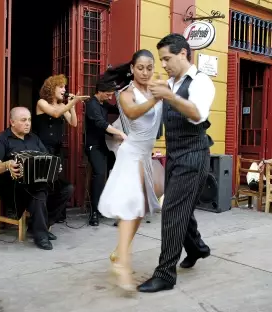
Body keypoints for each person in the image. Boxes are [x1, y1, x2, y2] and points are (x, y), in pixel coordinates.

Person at [137, 34, 216, 293]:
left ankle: (165, 275)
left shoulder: (201, 82)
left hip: (194, 155)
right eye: (162, 60)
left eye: (167, 58)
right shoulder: (170, 82)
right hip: (174, 155)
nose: (164, 64)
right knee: (181, 209)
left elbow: (196, 114)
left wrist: (168, 96)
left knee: (172, 210)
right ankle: (198, 248)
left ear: (183, 53)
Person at [97, 49, 164, 293]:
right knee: (131, 207)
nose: (145, 72)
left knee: (142, 208)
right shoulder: (126, 94)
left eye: (149, 67)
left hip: (146, 153)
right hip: (131, 153)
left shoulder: (153, 89)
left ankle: (118, 253)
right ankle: (123, 265)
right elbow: (134, 113)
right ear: (132, 70)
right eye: (140, 68)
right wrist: (158, 98)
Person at [0, 107, 74, 251]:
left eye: (29, 120)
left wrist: (54, 167)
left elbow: (46, 158)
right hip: (11, 183)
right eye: (23, 120)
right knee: (39, 191)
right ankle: (40, 234)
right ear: (12, 122)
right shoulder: (2, 139)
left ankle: (41, 225)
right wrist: (7, 164)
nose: (28, 123)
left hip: (36, 181)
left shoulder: (34, 138)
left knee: (67, 188)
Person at [33, 74, 88, 223]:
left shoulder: (63, 106)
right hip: (43, 149)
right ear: (52, 88)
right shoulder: (42, 103)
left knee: (58, 184)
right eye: (61, 86)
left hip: (57, 150)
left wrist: (73, 105)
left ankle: (52, 217)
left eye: (65, 87)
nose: (64, 89)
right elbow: (55, 113)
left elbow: (74, 123)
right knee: (45, 184)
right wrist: (73, 102)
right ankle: (41, 218)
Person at [84, 79, 127, 226]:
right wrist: (120, 133)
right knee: (100, 174)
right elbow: (101, 124)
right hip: (93, 146)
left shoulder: (104, 104)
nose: (110, 97)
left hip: (103, 145)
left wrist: (125, 96)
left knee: (114, 173)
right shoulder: (92, 105)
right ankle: (94, 212)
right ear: (100, 91)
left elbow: (118, 109)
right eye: (108, 94)